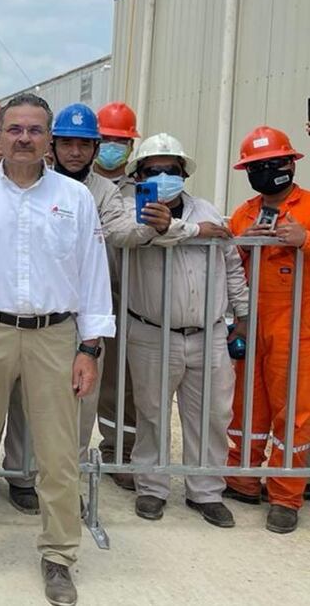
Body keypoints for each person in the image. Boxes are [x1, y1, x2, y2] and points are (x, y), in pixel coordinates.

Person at [0, 94, 113, 606]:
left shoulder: (76, 200)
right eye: (14, 129)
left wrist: (90, 348)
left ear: (48, 138)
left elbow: (93, 275)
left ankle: (59, 555)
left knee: (57, 452)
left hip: (54, 336)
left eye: (35, 130)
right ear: (0, 136)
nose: (24, 139)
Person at [0, 104, 178, 511]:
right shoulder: (31, 180)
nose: (75, 152)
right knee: (24, 403)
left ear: (95, 148)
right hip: (30, 310)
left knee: (77, 406)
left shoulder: (103, 192)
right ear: (53, 145)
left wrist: (150, 226)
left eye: (84, 144)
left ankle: (66, 483)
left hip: (78, 314)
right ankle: (21, 477)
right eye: (68, 143)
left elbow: (119, 229)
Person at [120, 133, 247, 529]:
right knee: (152, 413)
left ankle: (206, 491)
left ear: (183, 173)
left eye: (170, 170)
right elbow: (146, 233)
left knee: (212, 415)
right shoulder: (132, 210)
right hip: (152, 333)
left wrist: (242, 313)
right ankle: (152, 487)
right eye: (152, 170)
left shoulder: (207, 210)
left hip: (209, 334)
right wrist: (195, 231)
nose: (162, 176)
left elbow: (231, 264)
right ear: (139, 176)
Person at [224, 125, 310, 534]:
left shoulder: (308, 207)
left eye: (274, 163)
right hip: (251, 323)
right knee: (246, 405)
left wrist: (305, 239)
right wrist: (242, 243)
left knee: (293, 413)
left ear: (290, 163)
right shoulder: (244, 214)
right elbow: (227, 265)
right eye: (257, 166)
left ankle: (285, 496)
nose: (267, 171)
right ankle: (241, 478)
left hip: (298, 328)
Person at [92, 101, 142, 478]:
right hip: (79, 296)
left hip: (126, 294)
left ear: (131, 146)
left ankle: (119, 450)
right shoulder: (75, 182)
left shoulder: (142, 189)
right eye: (106, 140)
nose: (112, 147)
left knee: (121, 380)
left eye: (120, 141)